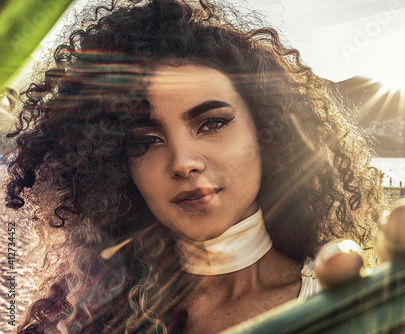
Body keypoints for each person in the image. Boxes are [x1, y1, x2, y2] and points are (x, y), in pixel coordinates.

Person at [4, 0, 384, 333]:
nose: (183, 162)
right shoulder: (84, 318)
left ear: (269, 134)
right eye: (145, 140)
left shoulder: (345, 308)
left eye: (213, 123)